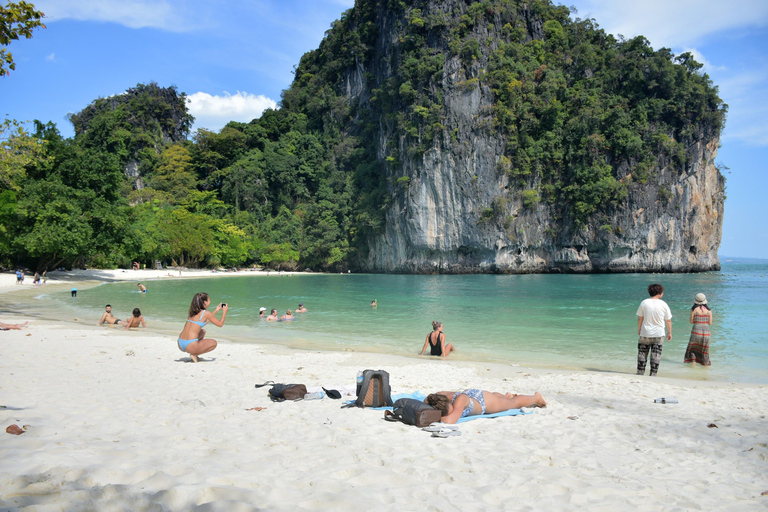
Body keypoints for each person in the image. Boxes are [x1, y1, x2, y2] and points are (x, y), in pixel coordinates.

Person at [425, 390, 547, 424]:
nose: (451, 413)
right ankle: (505, 396)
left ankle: (536, 398)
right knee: (500, 399)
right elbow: (427, 398)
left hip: (484, 402)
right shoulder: (441, 397)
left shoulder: (459, 402)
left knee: (512, 404)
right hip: (472, 394)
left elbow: (451, 420)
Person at [177, 292, 227, 362]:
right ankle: (195, 354)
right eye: (209, 300)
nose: (210, 301)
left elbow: (202, 323)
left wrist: (216, 311)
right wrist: (224, 311)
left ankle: (194, 352)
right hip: (190, 345)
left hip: (180, 343)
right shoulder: (206, 313)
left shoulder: (192, 312)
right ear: (205, 302)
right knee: (214, 343)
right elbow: (220, 324)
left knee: (203, 331)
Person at [636, 283, 673, 376]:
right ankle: (653, 374)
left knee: (642, 353)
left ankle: (640, 372)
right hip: (659, 333)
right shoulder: (663, 304)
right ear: (660, 293)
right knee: (656, 354)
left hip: (645, 332)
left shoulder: (644, 302)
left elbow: (640, 318)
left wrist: (639, 329)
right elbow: (668, 320)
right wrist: (670, 333)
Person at [684, 293, 713, 366]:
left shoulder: (694, 310)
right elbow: (710, 323)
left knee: (693, 350)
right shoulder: (709, 311)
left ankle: (693, 369)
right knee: (704, 351)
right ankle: (705, 370)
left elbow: (691, 322)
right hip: (706, 333)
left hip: (696, 332)